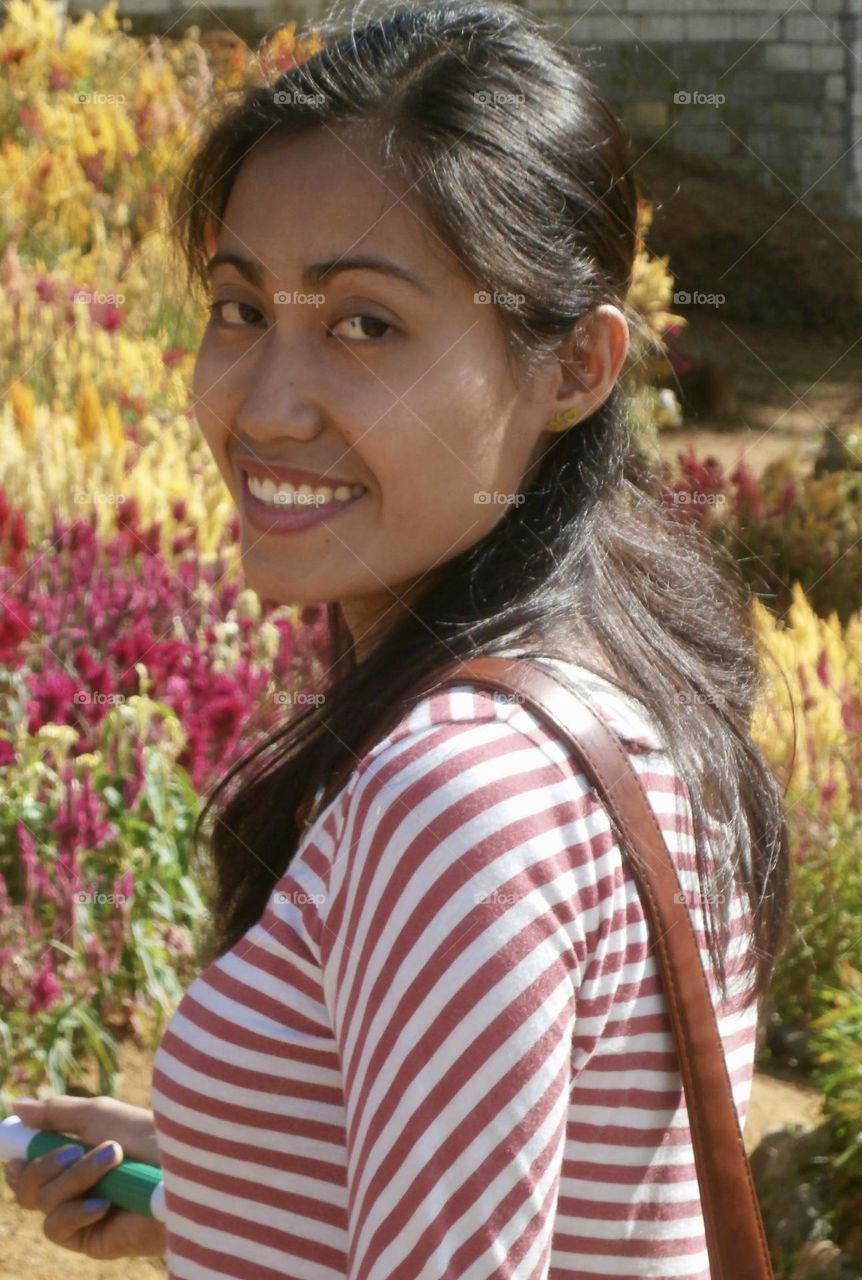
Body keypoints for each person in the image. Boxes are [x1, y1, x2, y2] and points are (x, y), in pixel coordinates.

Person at [5, 1, 790, 1275]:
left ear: (577, 366)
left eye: (365, 324)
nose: (261, 406)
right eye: (241, 306)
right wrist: (215, 1186)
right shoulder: (625, 689)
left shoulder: (464, 791)